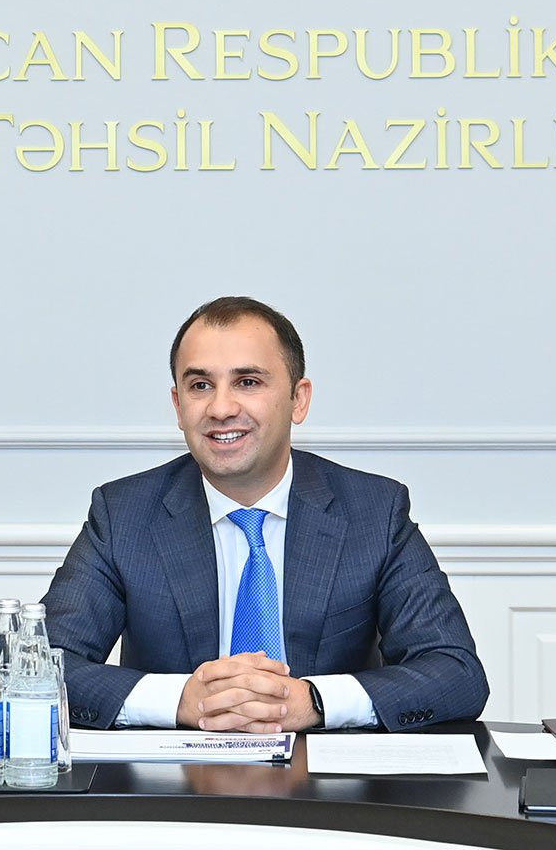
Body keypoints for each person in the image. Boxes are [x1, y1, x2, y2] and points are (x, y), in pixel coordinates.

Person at [41, 296, 488, 733]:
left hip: (328, 776)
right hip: (174, 778)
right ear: (178, 406)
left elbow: (456, 672)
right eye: (200, 386)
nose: (221, 408)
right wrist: (181, 700)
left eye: (248, 382)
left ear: (299, 400)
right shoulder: (123, 514)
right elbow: (44, 666)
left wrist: (314, 701)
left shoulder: (374, 511)